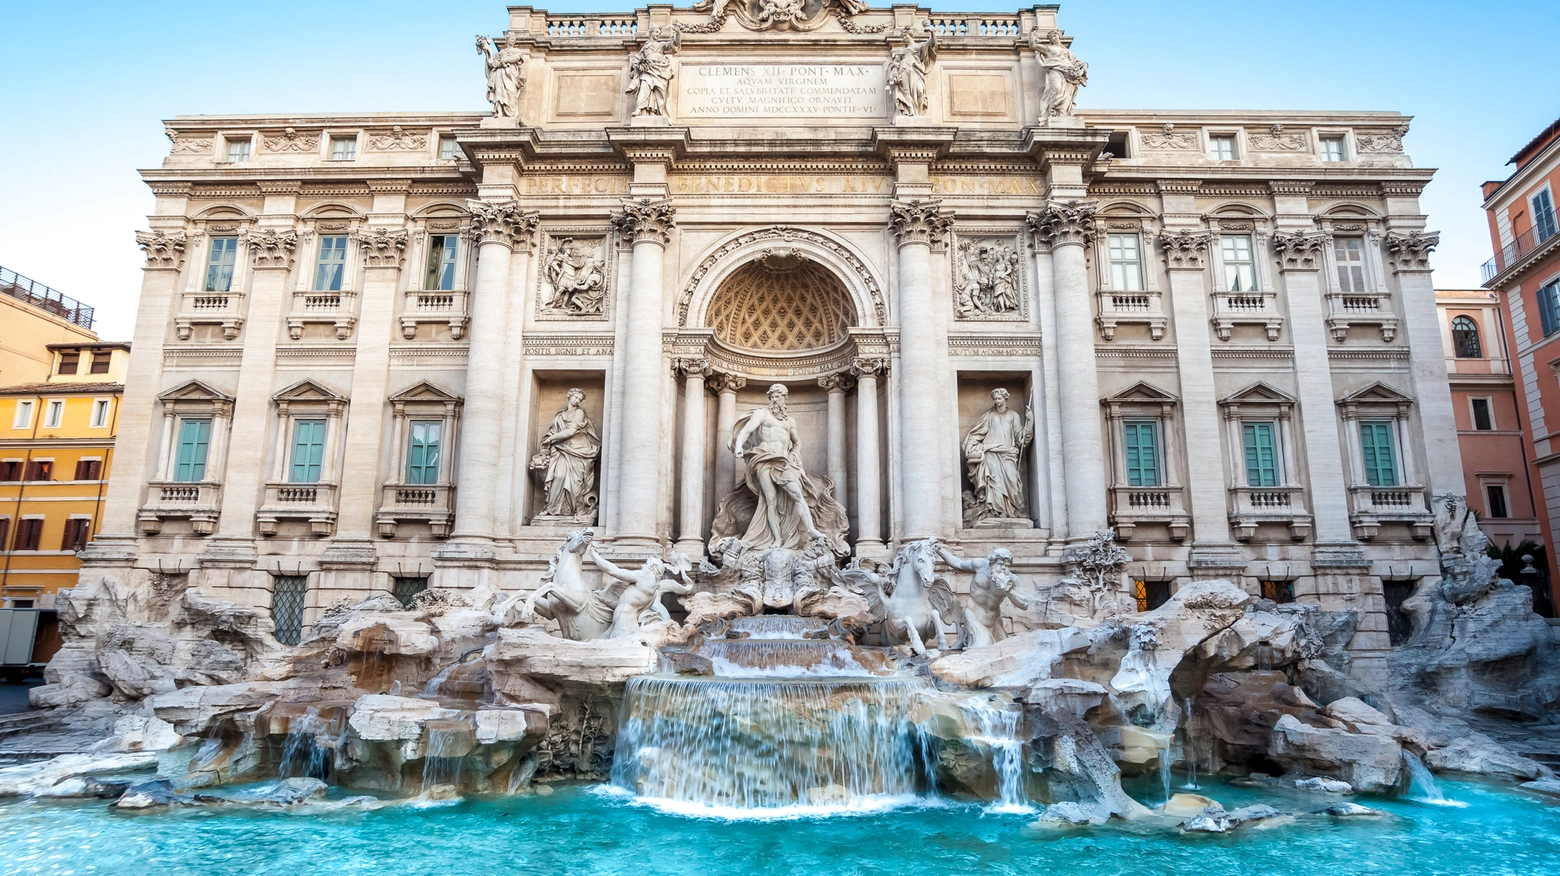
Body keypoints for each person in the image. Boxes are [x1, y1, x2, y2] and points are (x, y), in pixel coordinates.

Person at [731, 384, 826, 548]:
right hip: (764, 459)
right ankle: (777, 539)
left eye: (779, 396)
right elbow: (745, 431)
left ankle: (811, 530)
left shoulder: (790, 421)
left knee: (797, 493)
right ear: (769, 398)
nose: (776, 399)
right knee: (771, 500)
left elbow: (798, 442)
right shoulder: (762, 414)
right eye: (773, 396)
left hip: (783, 461)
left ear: (785, 399)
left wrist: (795, 455)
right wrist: (739, 446)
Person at [937, 545, 1030, 647]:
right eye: (1000, 564)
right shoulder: (979, 565)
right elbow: (958, 564)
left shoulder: (1012, 580)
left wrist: (1008, 591)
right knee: (982, 647)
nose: (1004, 568)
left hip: (994, 621)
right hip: (974, 616)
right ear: (992, 562)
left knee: (1003, 649)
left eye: (1007, 565)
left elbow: (1024, 604)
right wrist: (939, 550)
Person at [963, 388, 1034, 521]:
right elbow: (978, 433)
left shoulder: (1013, 415)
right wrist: (972, 445)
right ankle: (993, 511)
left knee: (1013, 480)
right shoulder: (989, 415)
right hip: (991, 453)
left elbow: (1020, 438)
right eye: (995, 399)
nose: (997, 401)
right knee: (993, 481)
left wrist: (1030, 422)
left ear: (1005, 398)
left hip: (1008, 453)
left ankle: (1013, 511)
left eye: (999, 398)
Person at [534, 389, 601, 518]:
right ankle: (552, 508)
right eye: (576, 397)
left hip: (578, 450)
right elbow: (553, 431)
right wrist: (548, 440)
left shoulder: (579, 413)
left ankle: (571, 510)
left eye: (580, 399)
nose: (577, 400)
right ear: (569, 396)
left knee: (575, 482)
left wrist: (550, 439)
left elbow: (570, 432)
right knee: (558, 476)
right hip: (561, 450)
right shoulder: (560, 415)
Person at [476, 35, 527, 119]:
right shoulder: (500, 53)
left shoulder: (517, 51)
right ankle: (500, 112)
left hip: (510, 74)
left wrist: (504, 60)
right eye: (511, 39)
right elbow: (492, 63)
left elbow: (516, 58)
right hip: (500, 73)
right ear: (507, 40)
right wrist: (487, 50)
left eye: (514, 39)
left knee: (511, 92)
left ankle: (510, 112)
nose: (513, 41)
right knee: (499, 92)